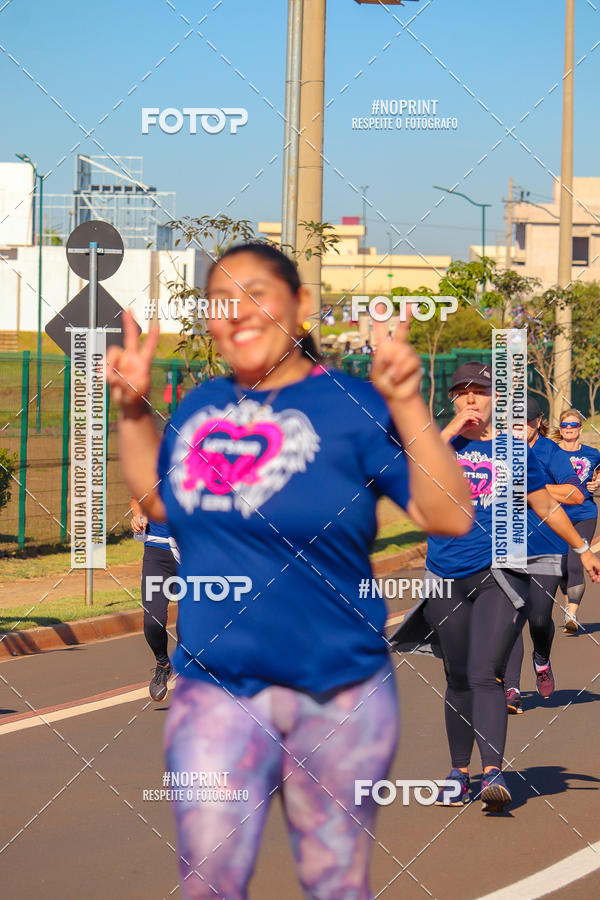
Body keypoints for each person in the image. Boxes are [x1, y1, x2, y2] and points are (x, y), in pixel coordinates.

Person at [106, 242, 473, 899]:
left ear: (301, 307)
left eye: (256, 294)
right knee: (207, 880)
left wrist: (410, 402)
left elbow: (446, 516)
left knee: (332, 880)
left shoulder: (351, 405)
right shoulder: (200, 406)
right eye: (221, 302)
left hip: (336, 691)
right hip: (213, 687)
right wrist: (133, 411)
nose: (236, 314)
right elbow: (161, 502)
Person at [392, 362, 600, 813]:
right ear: (452, 399)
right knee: (458, 676)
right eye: (462, 391)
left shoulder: (514, 450)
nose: (470, 398)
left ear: (495, 400)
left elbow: (543, 503)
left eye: (480, 391)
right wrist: (449, 430)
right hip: (445, 575)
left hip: (498, 574)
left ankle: (492, 773)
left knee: (487, 671)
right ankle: (457, 772)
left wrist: (582, 547)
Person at [503, 396, 584, 713]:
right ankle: (511, 689)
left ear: (538, 422)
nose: (518, 427)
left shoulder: (551, 453)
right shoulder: (500, 451)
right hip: (507, 546)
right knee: (510, 619)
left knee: (538, 617)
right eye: (513, 421)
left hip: (547, 547)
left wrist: (534, 488)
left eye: (525, 421)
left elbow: (576, 493)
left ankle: (541, 659)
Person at [553, 407, 600, 633]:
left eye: (573, 425)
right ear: (560, 429)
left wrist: (596, 484)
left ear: (580, 429)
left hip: (584, 513)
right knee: (561, 565)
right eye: (565, 425)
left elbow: (597, 475)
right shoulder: (550, 452)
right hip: (557, 515)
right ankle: (568, 602)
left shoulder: (593, 454)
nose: (569, 429)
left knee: (574, 560)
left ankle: (571, 614)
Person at [131, 498, 180, 701]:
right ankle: (163, 664)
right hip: (157, 550)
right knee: (152, 622)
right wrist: (137, 515)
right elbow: (138, 499)